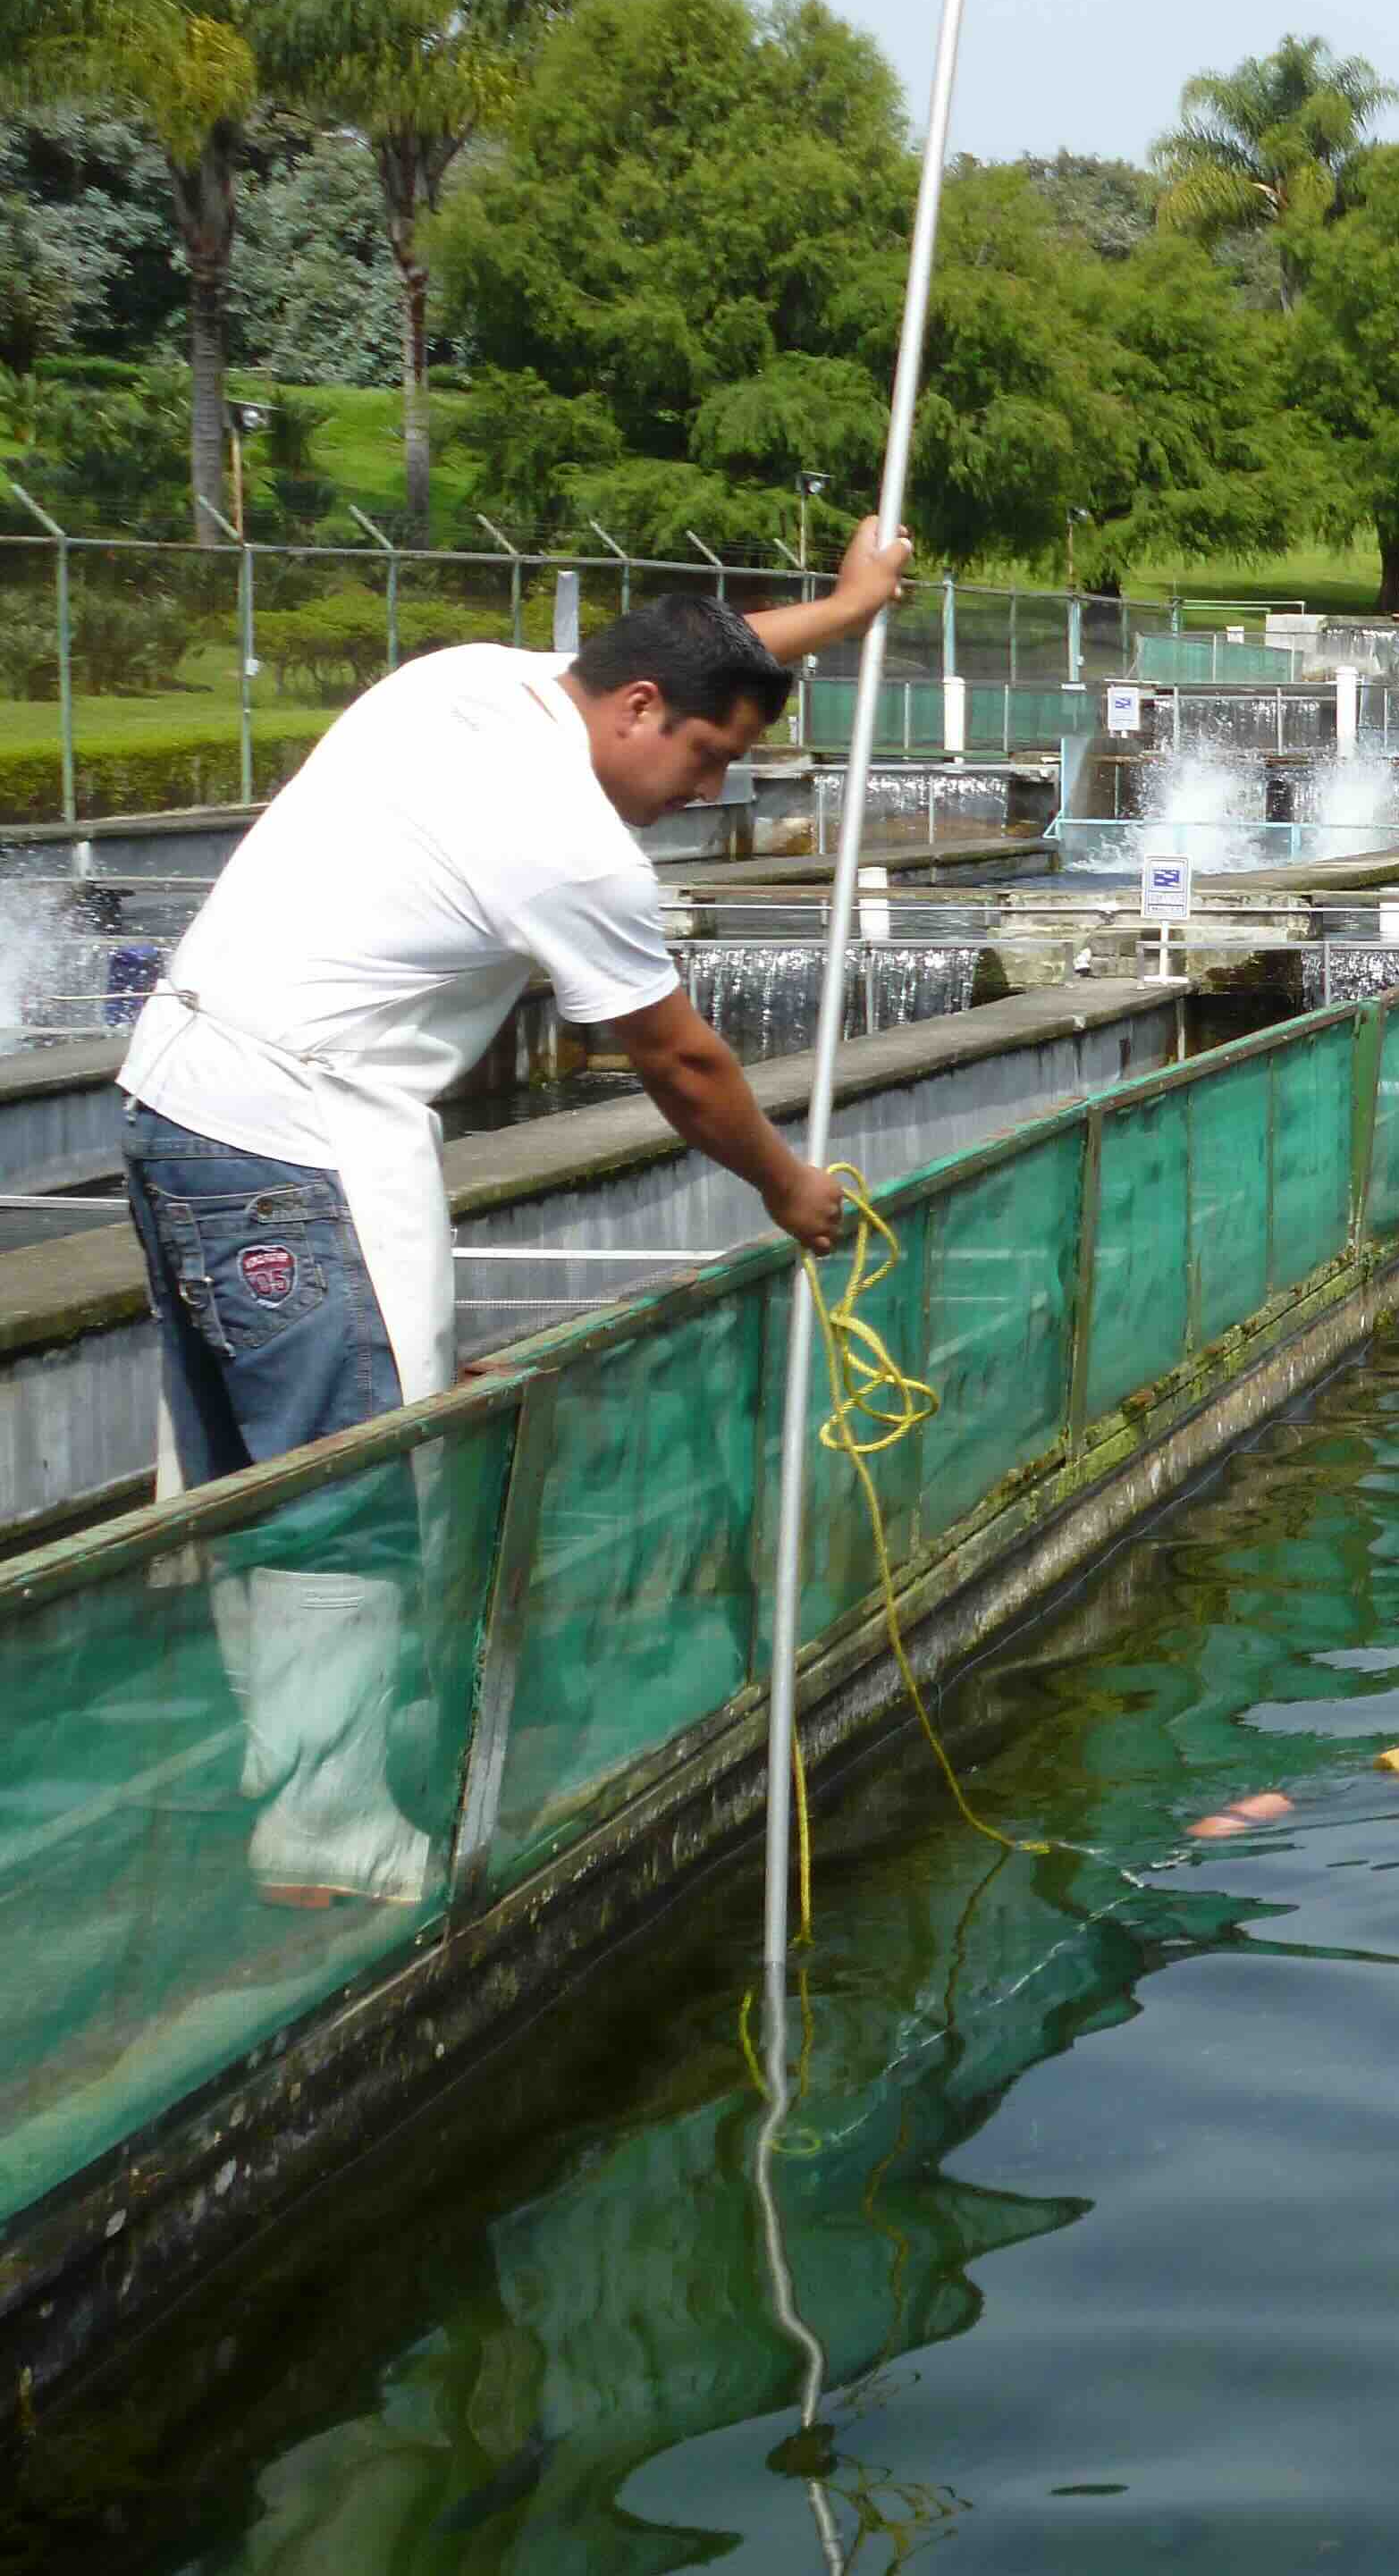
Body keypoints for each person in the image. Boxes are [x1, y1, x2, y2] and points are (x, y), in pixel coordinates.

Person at [116, 523, 912, 1905]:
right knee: (347, 1482)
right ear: (636, 713)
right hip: (287, 1145)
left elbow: (712, 655)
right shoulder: (569, 848)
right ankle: (322, 1826)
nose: (706, 790)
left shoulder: (470, 686)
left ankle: (288, 1775)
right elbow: (677, 1061)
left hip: (172, 1104)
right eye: (706, 760)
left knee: (269, 1476)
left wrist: (845, 611)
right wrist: (795, 1192)